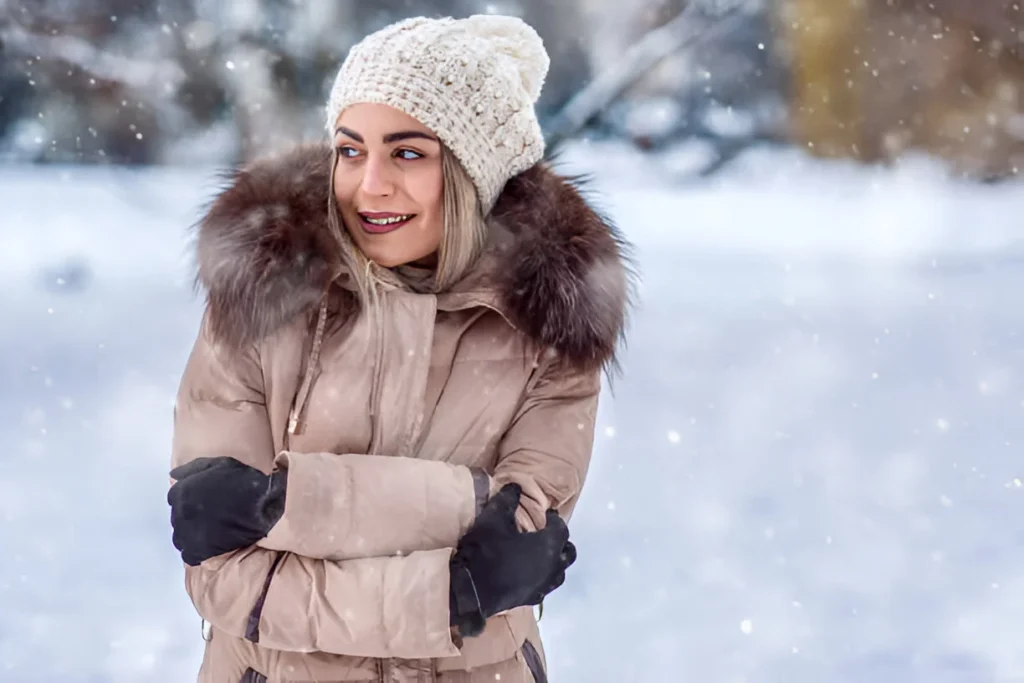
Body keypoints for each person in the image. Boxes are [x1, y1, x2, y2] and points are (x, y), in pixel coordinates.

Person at [166, 13, 634, 683]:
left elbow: (520, 549)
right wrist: (452, 584)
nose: (369, 185)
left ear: (477, 173)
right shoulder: (262, 296)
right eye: (351, 150)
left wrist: (281, 502)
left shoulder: (552, 326)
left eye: (408, 153)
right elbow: (222, 571)